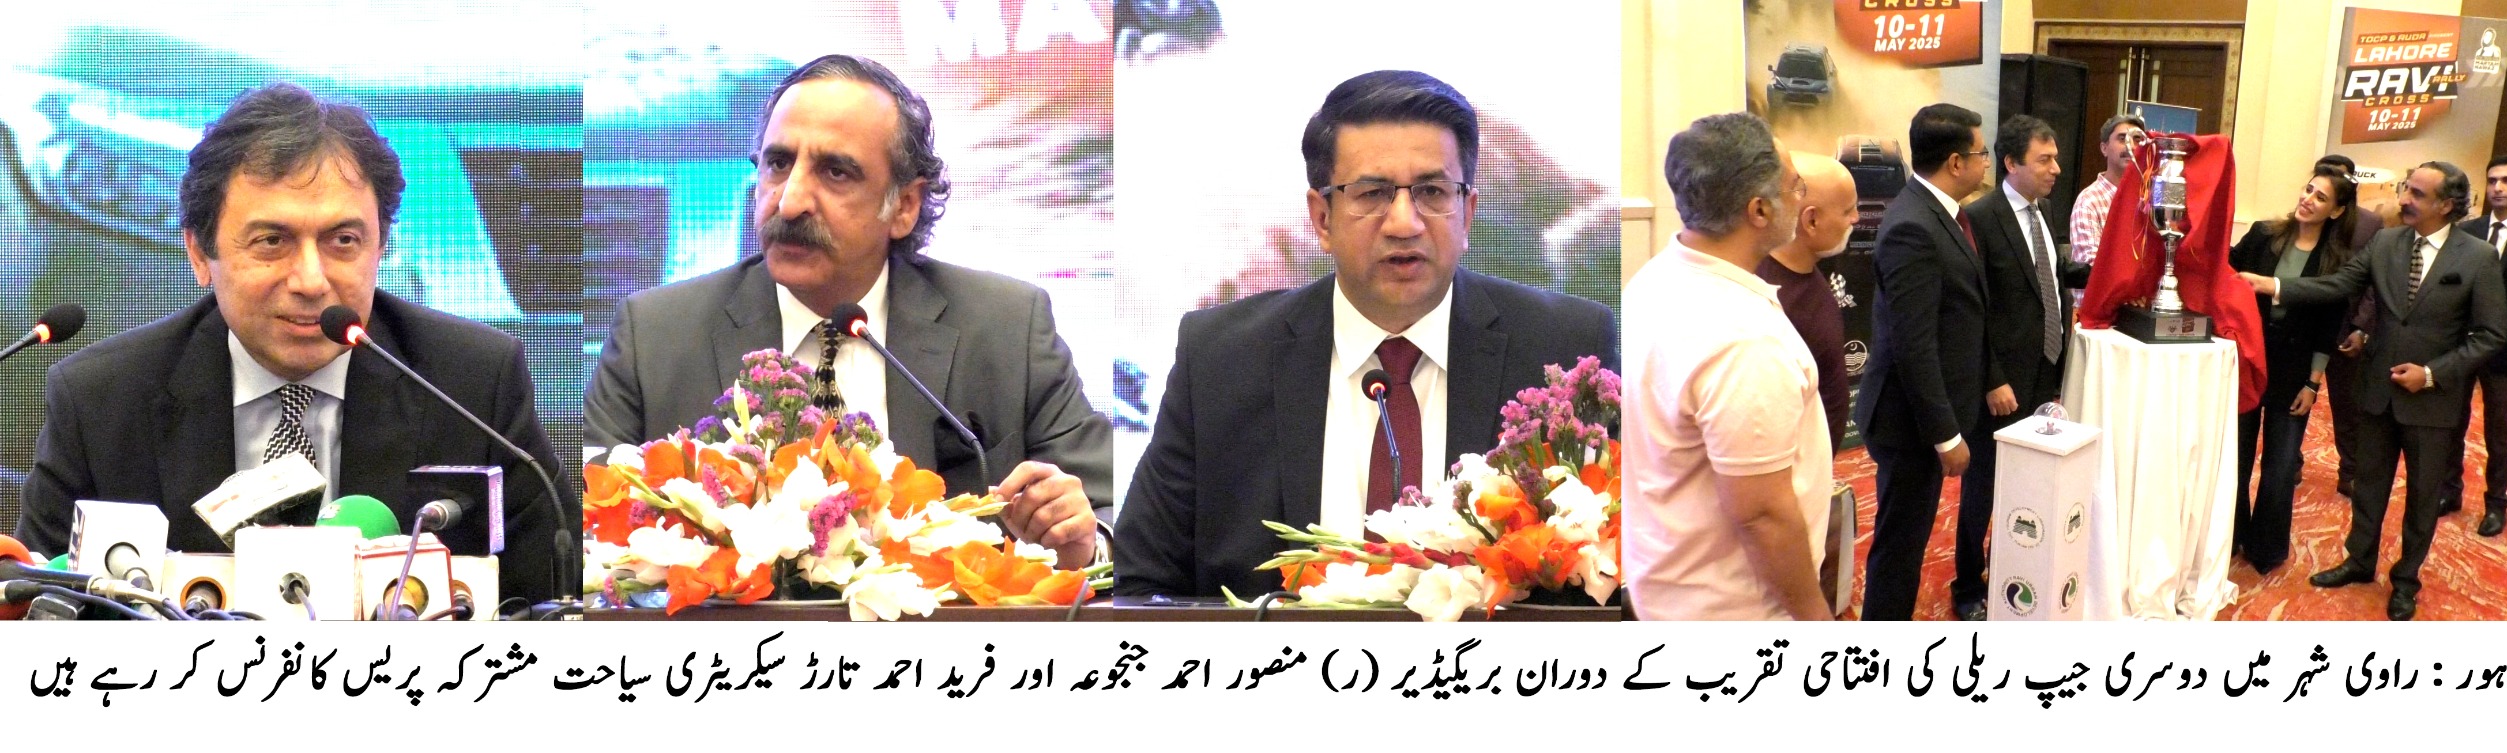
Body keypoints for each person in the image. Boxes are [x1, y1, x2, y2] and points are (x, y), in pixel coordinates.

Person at [12, 83, 564, 603]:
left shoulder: (472, 384)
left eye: (343, 240)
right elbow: (36, 607)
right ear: (200, 254)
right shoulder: (102, 401)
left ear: (380, 248)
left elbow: (545, 601)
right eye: (272, 241)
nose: (310, 281)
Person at [585, 55, 1108, 567]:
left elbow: (1108, 519)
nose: (789, 202)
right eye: (778, 164)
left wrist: (1083, 543)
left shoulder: (1007, 328)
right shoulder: (654, 338)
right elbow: (588, 540)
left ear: (904, 205)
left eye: (835, 172)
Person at [1112, 70, 1616, 598]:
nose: (1404, 223)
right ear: (1322, 219)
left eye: (1432, 192)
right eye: (1373, 193)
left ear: (1467, 213)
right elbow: (1140, 582)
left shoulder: (1563, 347)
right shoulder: (1221, 358)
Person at [2238, 161, 2507, 621]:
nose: (2404, 199)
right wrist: (2274, 285)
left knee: (2422, 496)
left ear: (2446, 205)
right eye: (2406, 188)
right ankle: (2359, 561)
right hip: (2378, 388)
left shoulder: (2478, 257)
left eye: (2417, 194)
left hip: (2432, 399)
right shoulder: (2386, 242)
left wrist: (2432, 373)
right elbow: (2339, 284)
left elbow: (2490, 335)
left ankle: (2405, 581)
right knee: (2369, 485)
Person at [1623, 113, 1831, 621]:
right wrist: (1816, 619)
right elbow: (1763, 515)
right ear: (1759, 209)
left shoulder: (1655, 276)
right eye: (1795, 186)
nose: (1800, 197)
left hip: (1673, 585)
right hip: (1739, 611)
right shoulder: (1745, 339)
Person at [1854, 103, 1991, 621]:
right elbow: (1913, 344)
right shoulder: (1913, 225)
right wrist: (1946, 435)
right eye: (1981, 153)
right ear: (1956, 162)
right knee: (1900, 548)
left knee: (1906, 540)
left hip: (1922, 417)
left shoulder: (1940, 213)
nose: (1986, 163)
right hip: (1908, 424)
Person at [1952, 114, 2087, 619]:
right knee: (1984, 486)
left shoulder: (2042, 209)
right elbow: (1974, 308)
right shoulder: (1980, 218)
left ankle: (2012, 564)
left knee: (2031, 479)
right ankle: (1967, 583)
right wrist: (1992, 378)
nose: (2056, 169)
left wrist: (2104, 272)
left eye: (2056, 158)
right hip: (2002, 381)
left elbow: (2049, 273)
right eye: (2044, 160)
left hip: (2045, 369)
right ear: (2011, 163)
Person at [2227, 166, 2355, 574]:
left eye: (2321, 197)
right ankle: (2229, 537)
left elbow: (2328, 328)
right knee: (2235, 456)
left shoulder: (2337, 261)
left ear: (2336, 211)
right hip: (2248, 360)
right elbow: (2226, 274)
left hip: (2295, 369)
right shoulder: (2263, 234)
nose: (2308, 199)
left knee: (2281, 466)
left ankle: (2265, 548)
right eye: (2308, 189)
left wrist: (2313, 383)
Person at [2438, 154, 2507, 537]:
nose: (2498, 188)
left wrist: (2489, 329)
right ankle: (2450, 491)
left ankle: (2495, 505)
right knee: (2452, 422)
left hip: (2504, 347)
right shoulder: (2467, 230)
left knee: (2496, 430)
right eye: (2492, 181)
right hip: (2462, 346)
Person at [1755, 152, 1860, 451]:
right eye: (1848, 210)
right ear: (1811, 220)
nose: (1856, 218)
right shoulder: (1768, 301)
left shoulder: (1810, 272)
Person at [2314, 153, 2385, 499]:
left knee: (2348, 408)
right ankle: (2292, 462)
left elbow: (2375, 282)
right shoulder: (2305, 215)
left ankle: (2350, 472)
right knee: (2295, 398)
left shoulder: (2371, 225)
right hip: (2308, 323)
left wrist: (2362, 327)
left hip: (2348, 327)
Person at [2068, 113, 2144, 266]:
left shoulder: (2148, 197)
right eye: (2122, 139)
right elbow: (2090, 265)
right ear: (2104, 148)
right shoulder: (2089, 201)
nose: (2131, 146)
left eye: (2137, 140)